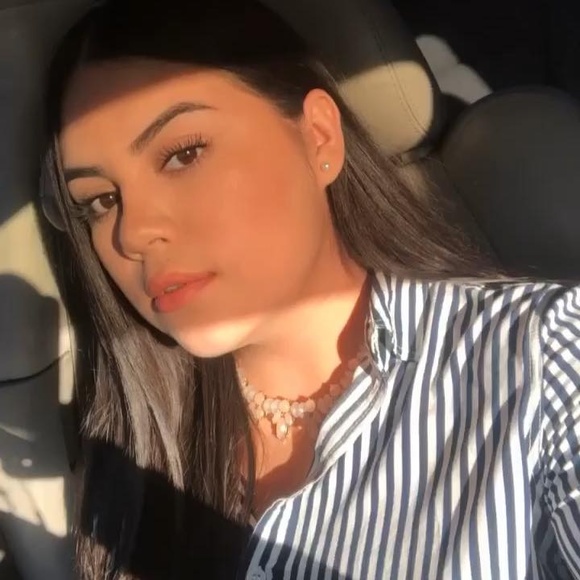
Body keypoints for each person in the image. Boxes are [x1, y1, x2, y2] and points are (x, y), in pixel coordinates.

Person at [40, 0, 580, 578]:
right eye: (101, 200)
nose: (132, 233)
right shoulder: (132, 440)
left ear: (319, 137)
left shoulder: (546, 355)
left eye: (183, 154)